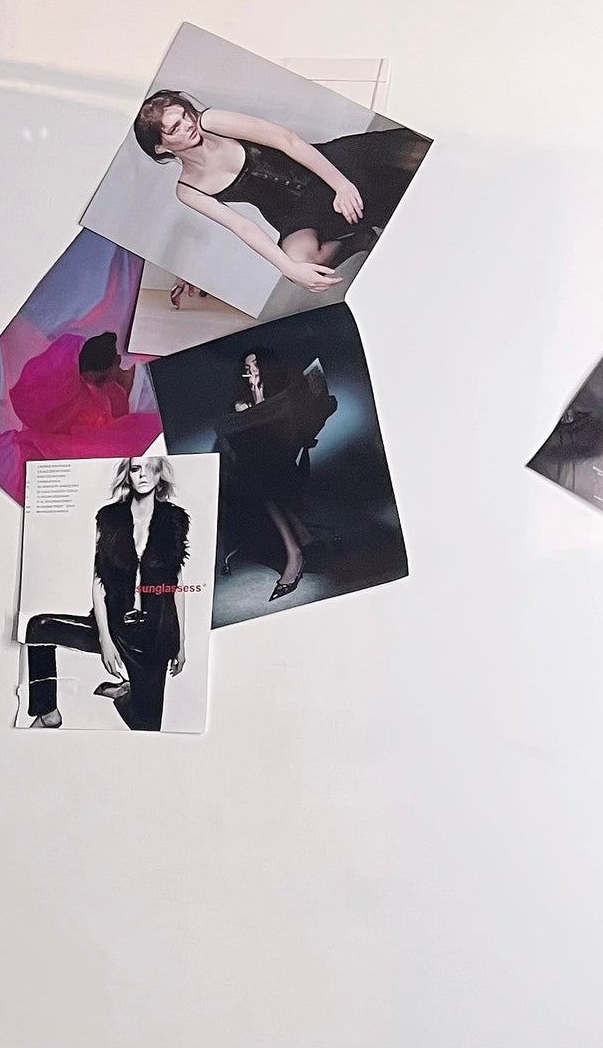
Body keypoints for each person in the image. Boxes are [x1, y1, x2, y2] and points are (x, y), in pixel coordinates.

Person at [134, 89, 426, 296]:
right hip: (294, 214)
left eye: (185, 115)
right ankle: (358, 239)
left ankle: (365, 210)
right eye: (175, 127)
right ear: (161, 147)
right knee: (299, 264)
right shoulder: (188, 190)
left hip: (321, 167)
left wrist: (341, 184)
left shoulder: (212, 121)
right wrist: (288, 268)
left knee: (413, 152)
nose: (189, 124)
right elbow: (242, 226)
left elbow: (287, 140)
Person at [23, 452, 189, 731]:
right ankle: (48, 713)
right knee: (39, 627)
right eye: (136, 469)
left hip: (155, 637)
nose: (143, 474)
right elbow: (98, 582)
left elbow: (177, 586)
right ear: (128, 475)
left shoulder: (174, 520)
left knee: (146, 728)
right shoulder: (109, 518)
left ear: (160, 474)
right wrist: (105, 639)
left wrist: (181, 643)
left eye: (150, 468)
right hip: (113, 625)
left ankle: (124, 693)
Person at [216, 346, 338, 600]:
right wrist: (255, 394)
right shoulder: (242, 403)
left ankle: (298, 548)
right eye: (247, 368)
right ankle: (297, 547)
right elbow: (249, 429)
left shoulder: (284, 395)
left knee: (261, 477)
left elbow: (291, 432)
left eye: (256, 365)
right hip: (264, 468)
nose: (251, 371)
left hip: (286, 463)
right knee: (258, 474)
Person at [6, 328, 161, 460]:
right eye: (93, 383)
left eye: (102, 379)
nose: (101, 387)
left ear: (117, 361)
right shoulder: (102, 403)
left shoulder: (155, 378)